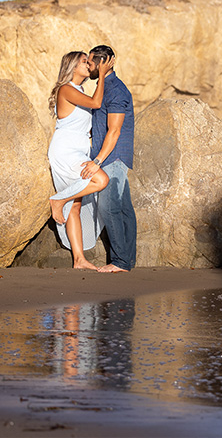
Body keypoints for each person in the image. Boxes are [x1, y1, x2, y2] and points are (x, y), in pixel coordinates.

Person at [47, 50, 115, 270]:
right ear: (73, 67)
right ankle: (58, 200)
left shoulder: (79, 89)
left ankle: (79, 260)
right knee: (100, 181)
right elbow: (96, 103)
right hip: (66, 151)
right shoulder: (66, 89)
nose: (90, 64)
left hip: (79, 151)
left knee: (76, 207)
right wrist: (103, 74)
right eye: (85, 61)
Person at [80, 45, 136, 273]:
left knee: (109, 208)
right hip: (109, 157)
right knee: (123, 209)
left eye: (91, 63)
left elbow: (114, 130)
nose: (88, 67)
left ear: (103, 64)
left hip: (113, 158)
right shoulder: (106, 87)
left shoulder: (116, 90)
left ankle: (120, 262)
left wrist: (97, 161)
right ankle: (127, 261)